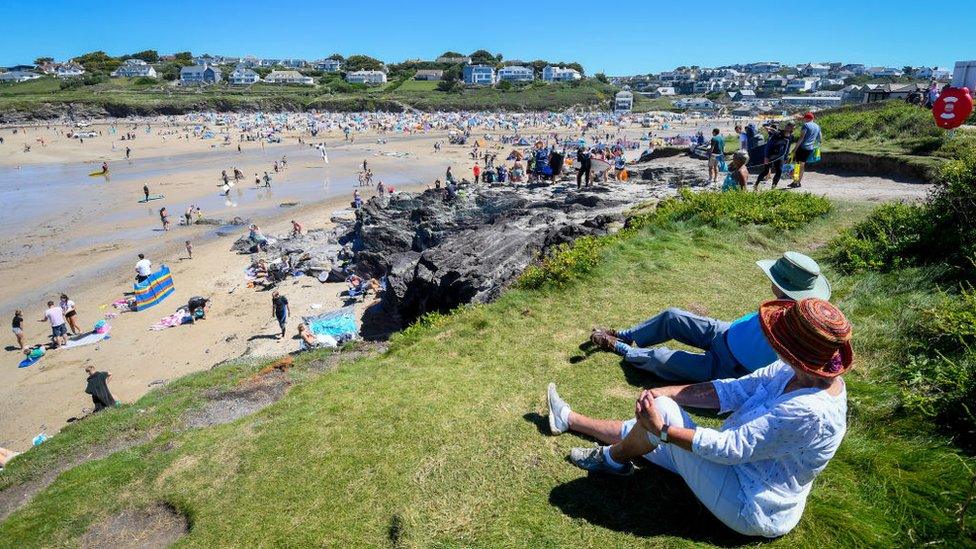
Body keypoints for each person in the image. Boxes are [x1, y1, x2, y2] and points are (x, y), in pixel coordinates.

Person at [547, 298, 852, 538]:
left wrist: (665, 430)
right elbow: (733, 390)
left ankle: (610, 461)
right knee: (651, 423)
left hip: (751, 504)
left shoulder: (810, 411)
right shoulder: (793, 371)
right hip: (738, 468)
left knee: (661, 422)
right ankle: (569, 419)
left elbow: (731, 447)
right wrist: (664, 392)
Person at [589, 251, 830, 382]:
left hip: (730, 367)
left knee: (661, 359)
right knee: (672, 317)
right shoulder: (785, 303)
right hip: (724, 332)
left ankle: (620, 348)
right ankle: (627, 335)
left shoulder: (805, 322)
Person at [754, 122, 793, 190]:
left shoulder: (791, 136)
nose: (788, 128)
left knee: (779, 171)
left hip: (780, 156)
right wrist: (766, 157)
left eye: (790, 127)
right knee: (766, 171)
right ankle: (756, 185)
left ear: (792, 128)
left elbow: (787, 147)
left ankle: (773, 188)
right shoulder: (777, 134)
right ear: (785, 127)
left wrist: (786, 157)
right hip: (770, 155)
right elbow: (768, 146)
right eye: (787, 126)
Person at [790, 112, 821, 188]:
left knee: (797, 165)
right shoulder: (817, 126)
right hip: (810, 149)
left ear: (807, 118)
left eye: (804, 118)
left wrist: (795, 149)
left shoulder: (806, 125)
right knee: (802, 166)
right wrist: (814, 145)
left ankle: (795, 182)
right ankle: (798, 182)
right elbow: (820, 139)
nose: (804, 120)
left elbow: (801, 138)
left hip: (802, 148)